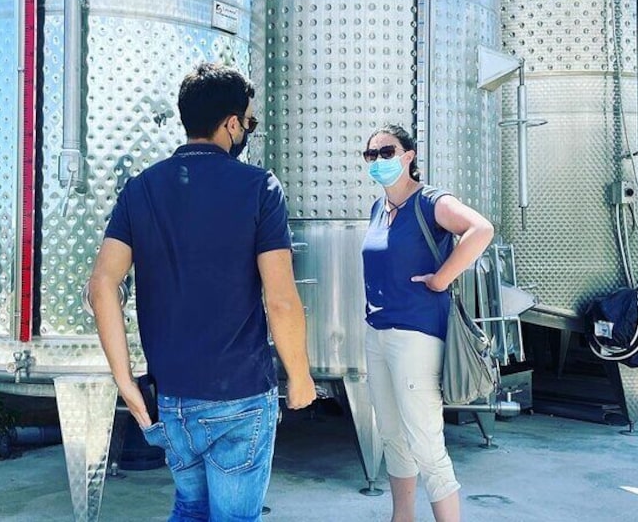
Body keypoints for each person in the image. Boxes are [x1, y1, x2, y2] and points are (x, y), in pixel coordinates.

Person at [89, 62, 316, 522]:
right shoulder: (260, 187)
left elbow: (101, 286)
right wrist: (300, 375)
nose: (248, 130)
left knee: (191, 508)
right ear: (231, 124)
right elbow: (280, 299)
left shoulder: (141, 189)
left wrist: (125, 381)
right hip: (240, 397)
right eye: (249, 121)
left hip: (171, 397)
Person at [360, 124, 494, 522]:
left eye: (387, 152)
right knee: (392, 438)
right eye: (371, 155)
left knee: (426, 445)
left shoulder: (430, 201)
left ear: (409, 156)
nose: (378, 160)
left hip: (416, 336)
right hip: (377, 332)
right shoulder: (379, 209)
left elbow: (481, 229)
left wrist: (441, 279)